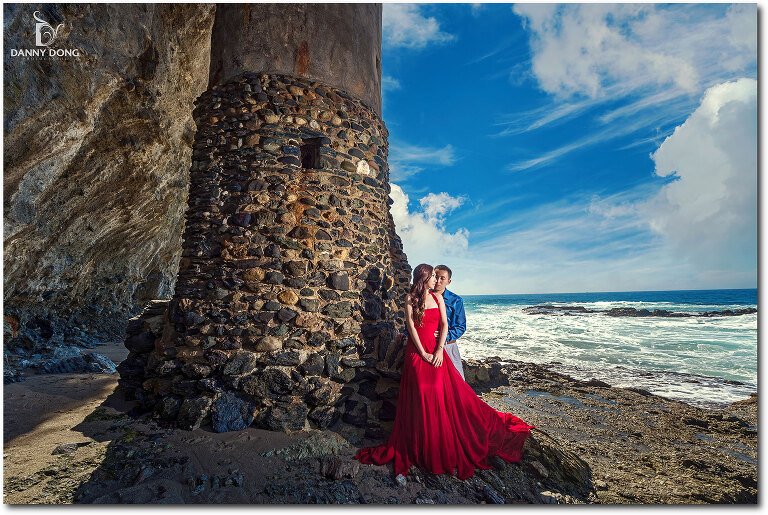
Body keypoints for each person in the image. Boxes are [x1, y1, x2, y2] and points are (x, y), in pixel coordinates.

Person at [355, 264, 533, 480]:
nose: (436, 281)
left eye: (440, 278)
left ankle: (439, 442)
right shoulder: (410, 298)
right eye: (433, 277)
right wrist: (423, 354)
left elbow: (447, 326)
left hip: (439, 351)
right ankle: (422, 445)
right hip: (418, 352)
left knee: (444, 394)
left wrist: (438, 350)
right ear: (425, 278)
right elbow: (411, 328)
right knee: (421, 395)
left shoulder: (441, 299)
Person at [398, 264, 467, 380]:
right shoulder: (419, 297)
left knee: (458, 380)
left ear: (448, 282)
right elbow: (415, 323)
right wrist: (405, 333)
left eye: (442, 278)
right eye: (436, 276)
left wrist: (444, 336)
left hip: (447, 345)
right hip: (427, 346)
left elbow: (461, 326)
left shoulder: (456, 300)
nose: (438, 281)